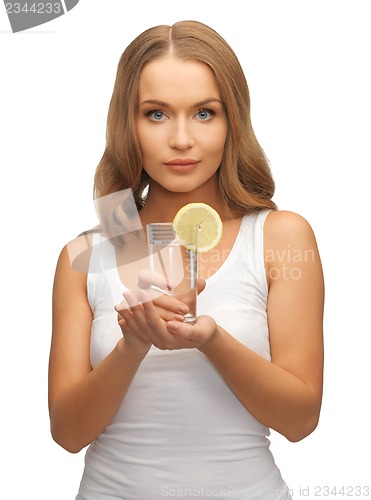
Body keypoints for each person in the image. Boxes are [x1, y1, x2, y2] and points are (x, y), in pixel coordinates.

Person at [48, 20, 324, 500]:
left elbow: (301, 421)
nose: (180, 139)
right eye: (156, 114)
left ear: (232, 119)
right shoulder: (89, 253)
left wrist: (211, 340)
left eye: (203, 113)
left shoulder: (279, 236)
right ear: (126, 124)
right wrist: (133, 344)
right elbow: (68, 434)